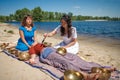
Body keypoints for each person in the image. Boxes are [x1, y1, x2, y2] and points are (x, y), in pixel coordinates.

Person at [28, 43, 116, 80]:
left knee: (75, 58)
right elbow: (32, 55)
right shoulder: (33, 48)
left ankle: (103, 68)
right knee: (65, 62)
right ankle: (86, 75)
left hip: (55, 50)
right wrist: (32, 59)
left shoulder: (42, 44)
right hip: (48, 53)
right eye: (32, 42)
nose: (34, 42)